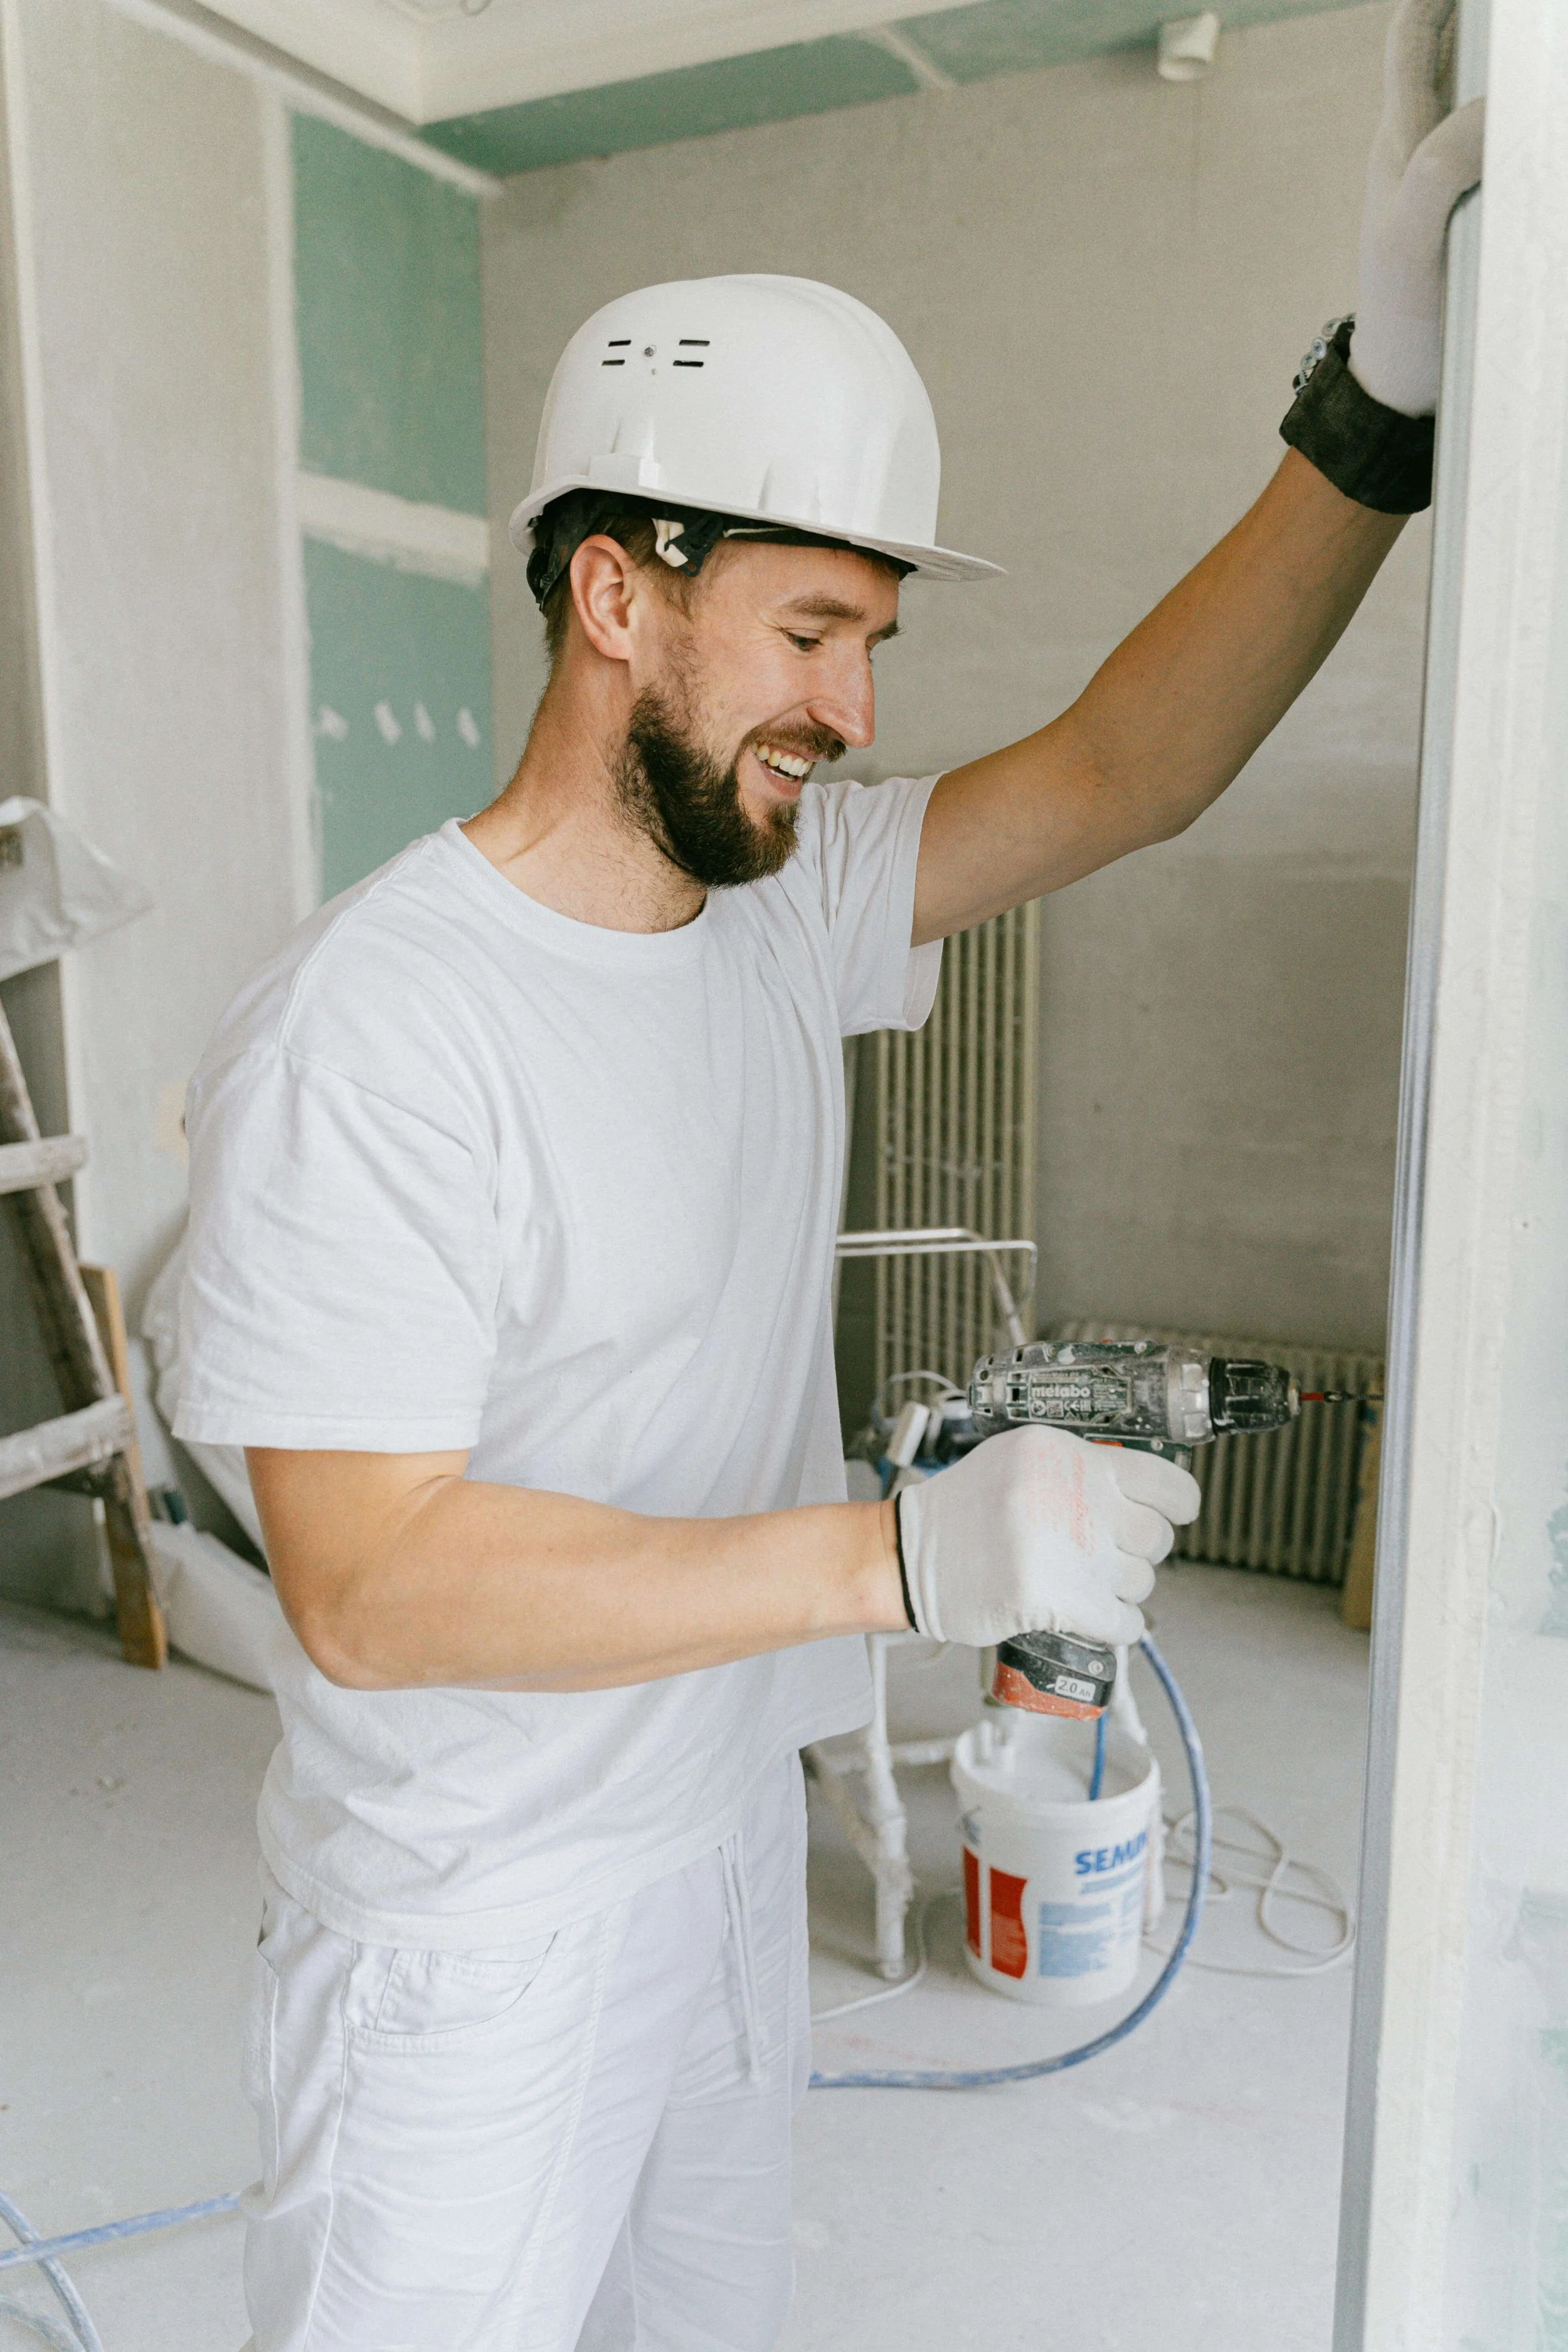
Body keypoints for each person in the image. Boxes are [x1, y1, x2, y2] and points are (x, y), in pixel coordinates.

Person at [180, 5, 1480, 2344]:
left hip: (703, 1866)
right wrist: (899, 1551)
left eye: (871, 644)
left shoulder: (776, 912)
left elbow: (1124, 769)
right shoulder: (379, 1031)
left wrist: (1371, 405)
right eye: (803, 632)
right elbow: (370, 1582)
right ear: (614, 593)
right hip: (467, 1941)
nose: (853, 715)